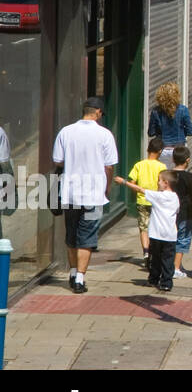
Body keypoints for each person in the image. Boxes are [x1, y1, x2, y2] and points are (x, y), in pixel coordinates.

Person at [52, 98, 118, 294]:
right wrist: (107, 188)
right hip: (93, 195)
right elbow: (109, 166)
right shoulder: (104, 135)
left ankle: (72, 272)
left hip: (70, 194)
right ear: (97, 112)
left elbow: (58, 160)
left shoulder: (66, 131)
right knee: (87, 236)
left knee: (71, 234)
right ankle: (80, 278)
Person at [115, 169, 179, 292]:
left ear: (165, 183)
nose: (157, 183)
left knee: (155, 258)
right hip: (170, 235)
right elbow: (176, 212)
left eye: (159, 180)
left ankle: (153, 279)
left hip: (156, 234)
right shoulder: (175, 198)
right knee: (168, 260)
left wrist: (124, 182)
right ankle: (166, 282)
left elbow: (140, 189)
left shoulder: (157, 196)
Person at [128, 136, 166, 259]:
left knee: (143, 227)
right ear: (160, 151)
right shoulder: (162, 167)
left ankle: (146, 251)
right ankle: (155, 251)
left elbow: (132, 183)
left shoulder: (139, 165)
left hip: (142, 200)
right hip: (157, 201)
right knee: (156, 227)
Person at [147, 81, 192, 170]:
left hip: (162, 150)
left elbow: (151, 133)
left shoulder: (156, 111)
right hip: (179, 150)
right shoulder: (183, 110)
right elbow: (190, 132)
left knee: (163, 177)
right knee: (177, 177)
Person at [170, 146, 192, 279]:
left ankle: (173, 264)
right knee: (182, 239)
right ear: (188, 160)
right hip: (185, 213)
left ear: (173, 159)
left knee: (171, 239)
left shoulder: (167, 175)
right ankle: (176, 268)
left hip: (169, 213)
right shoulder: (190, 177)